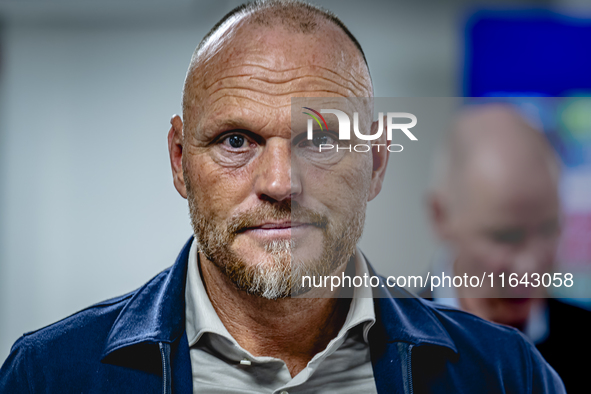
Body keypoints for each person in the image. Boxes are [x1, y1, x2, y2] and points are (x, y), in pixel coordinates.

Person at [1, 1, 564, 393]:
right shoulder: (48, 377)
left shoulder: (507, 375)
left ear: (375, 162)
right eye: (236, 140)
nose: (279, 183)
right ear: (180, 160)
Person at [426, 103, 590, 393]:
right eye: (506, 236)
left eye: (548, 229)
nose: (529, 265)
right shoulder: (370, 352)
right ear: (441, 217)